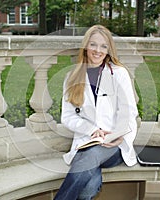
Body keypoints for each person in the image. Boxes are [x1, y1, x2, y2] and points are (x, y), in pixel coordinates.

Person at [54, 25, 138, 200]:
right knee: (89, 187)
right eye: (93, 45)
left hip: (113, 146)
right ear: (86, 46)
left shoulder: (119, 74)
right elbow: (68, 117)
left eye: (103, 46)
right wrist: (91, 130)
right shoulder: (72, 77)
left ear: (109, 50)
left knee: (91, 156)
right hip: (87, 141)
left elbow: (129, 113)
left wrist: (119, 136)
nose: (98, 51)